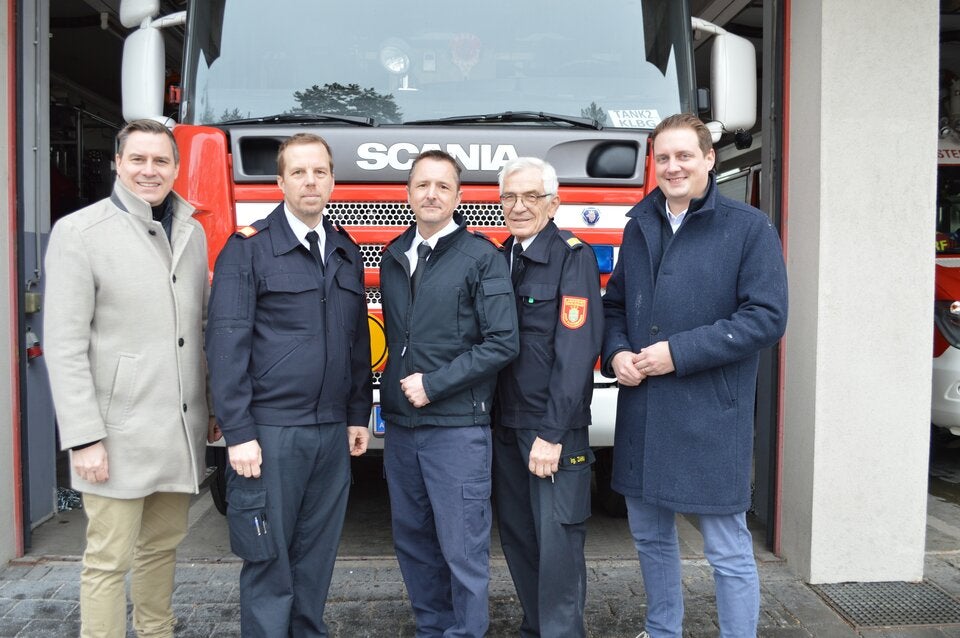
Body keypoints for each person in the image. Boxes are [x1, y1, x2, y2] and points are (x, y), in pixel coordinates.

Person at [601, 113, 788, 638]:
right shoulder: (639, 224)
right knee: (650, 538)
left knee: (727, 549)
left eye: (684, 155)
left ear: (710, 158)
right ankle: (663, 630)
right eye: (663, 157)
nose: (673, 166)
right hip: (644, 409)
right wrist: (615, 353)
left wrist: (677, 354)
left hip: (710, 412)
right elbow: (614, 305)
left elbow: (767, 318)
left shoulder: (749, 227)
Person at [44, 118, 214, 638]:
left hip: (177, 429)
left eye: (161, 160)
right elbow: (64, 345)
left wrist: (211, 409)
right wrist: (84, 438)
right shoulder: (79, 233)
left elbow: (200, 328)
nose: (149, 170)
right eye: (137, 159)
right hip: (114, 435)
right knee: (107, 560)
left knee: (161, 547)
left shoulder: (193, 229)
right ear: (117, 164)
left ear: (176, 167)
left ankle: (156, 631)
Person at [205, 133, 372, 637]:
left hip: (329, 433)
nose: (310, 181)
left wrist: (357, 413)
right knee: (269, 559)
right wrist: (238, 432)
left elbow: (356, 342)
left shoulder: (344, 250)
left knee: (316, 559)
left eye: (319, 172)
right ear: (280, 182)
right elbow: (225, 345)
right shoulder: (248, 249)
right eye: (299, 172)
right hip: (271, 433)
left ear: (332, 180)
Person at [379, 149, 519, 637]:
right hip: (401, 430)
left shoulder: (482, 258)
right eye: (422, 185)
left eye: (442, 186)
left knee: (463, 551)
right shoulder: (394, 255)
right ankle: (432, 629)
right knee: (414, 544)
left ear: (459, 196)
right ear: (408, 194)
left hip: (457, 430)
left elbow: (503, 342)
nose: (431, 194)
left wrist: (434, 385)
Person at [492, 157, 603, 638]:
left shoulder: (572, 257)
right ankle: (535, 628)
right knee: (519, 539)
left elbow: (576, 353)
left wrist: (553, 434)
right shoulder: (502, 257)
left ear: (553, 204)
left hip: (550, 430)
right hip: (505, 425)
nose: (518, 207)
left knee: (557, 544)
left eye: (531, 197)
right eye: (509, 197)